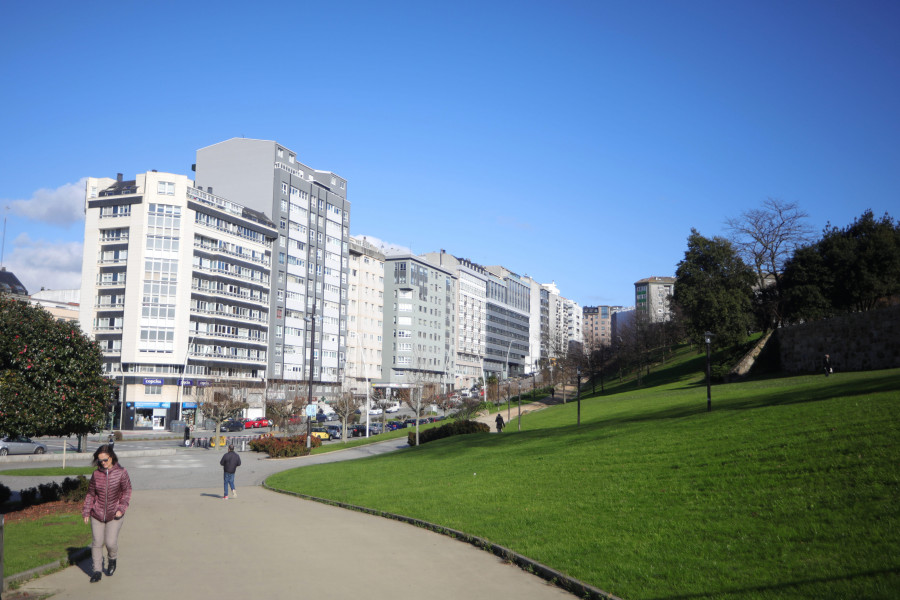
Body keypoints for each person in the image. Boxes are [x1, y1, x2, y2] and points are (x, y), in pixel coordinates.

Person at [82, 444, 132, 583]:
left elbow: (127, 491)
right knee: (97, 542)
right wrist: (86, 511)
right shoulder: (96, 474)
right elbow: (91, 494)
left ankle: (112, 559)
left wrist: (121, 508)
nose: (103, 463)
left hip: (115, 514)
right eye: (100, 461)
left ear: (112, 457)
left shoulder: (122, 472)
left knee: (110, 543)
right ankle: (97, 571)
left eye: (105, 460)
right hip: (97, 513)